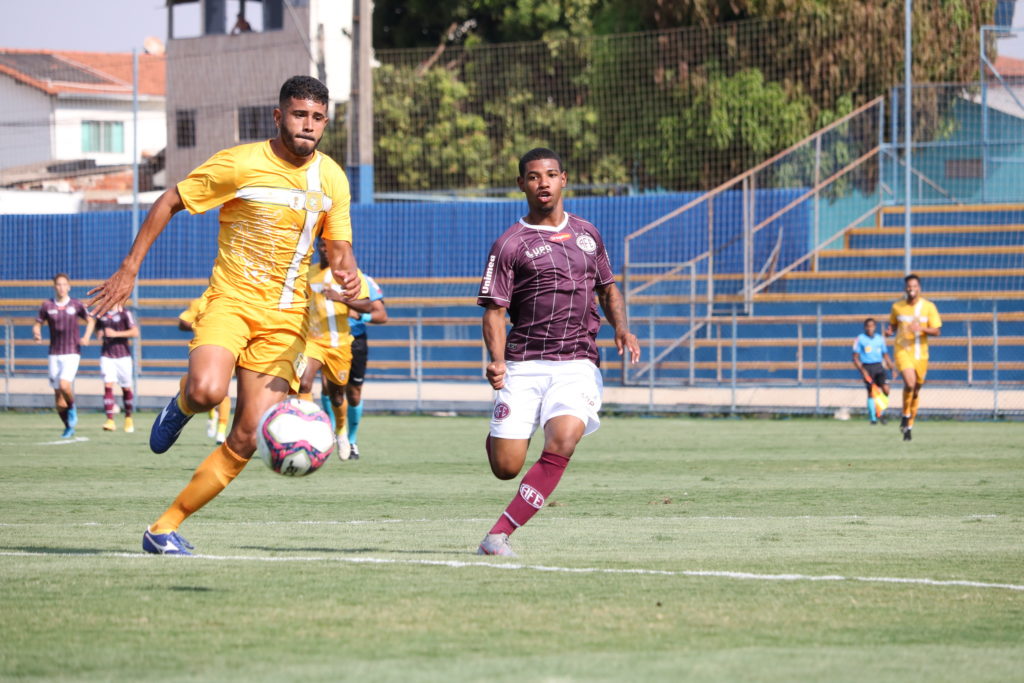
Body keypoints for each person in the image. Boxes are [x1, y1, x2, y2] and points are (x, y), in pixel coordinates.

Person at [88, 75, 360, 555]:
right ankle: (184, 403)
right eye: (300, 115)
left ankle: (163, 528)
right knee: (207, 389)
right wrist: (128, 271)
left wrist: (348, 274)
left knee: (248, 434)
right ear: (278, 117)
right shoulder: (239, 163)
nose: (309, 126)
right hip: (230, 301)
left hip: (286, 320)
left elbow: (338, 248)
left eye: (318, 118)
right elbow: (170, 200)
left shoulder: (332, 177)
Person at [474, 148, 640, 557]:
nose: (543, 183)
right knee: (506, 467)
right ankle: (501, 432)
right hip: (523, 364)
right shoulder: (508, 245)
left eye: (550, 175)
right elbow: (495, 311)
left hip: (577, 363)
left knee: (564, 439)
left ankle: (497, 536)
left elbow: (608, 287)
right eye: (533, 177)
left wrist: (621, 328)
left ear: (564, 179)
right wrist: (496, 359)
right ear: (522, 184)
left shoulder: (588, 234)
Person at [297, 239, 370, 461]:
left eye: (329, 247)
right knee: (304, 381)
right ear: (317, 249)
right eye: (321, 246)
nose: (325, 250)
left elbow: (367, 305)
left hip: (339, 344)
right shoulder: (306, 273)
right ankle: (308, 431)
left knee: (338, 394)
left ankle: (341, 432)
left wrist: (341, 298)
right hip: (313, 341)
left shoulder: (348, 274)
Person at [33, 273, 93, 438]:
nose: (61, 287)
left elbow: (91, 320)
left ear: (69, 287)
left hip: (72, 352)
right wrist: (37, 334)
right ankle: (68, 426)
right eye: (58, 284)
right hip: (54, 353)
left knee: (65, 384)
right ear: (54, 286)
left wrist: (87, 336)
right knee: (58, 398)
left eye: (64, 284)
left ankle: (72, 407)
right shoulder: (47, 306)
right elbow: (37, 325)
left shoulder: (76, 305)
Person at [885, 274, 942, 442]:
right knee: (909, 383)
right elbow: (894, 325)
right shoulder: (897, 306)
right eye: (909, 286)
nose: (911, 289)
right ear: (905, 288)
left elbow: (937, 331)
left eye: (914, 286)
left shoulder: (928, 307)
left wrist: (921, 329)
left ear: (919, 288)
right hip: (903, 351)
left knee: (916, 391)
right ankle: (904, 414)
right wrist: (890, 331)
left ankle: (909, 425)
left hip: (921, 354)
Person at [344, 271, 387, 460]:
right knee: (330, 390)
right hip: (323, 338)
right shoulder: (314, 276)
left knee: (353, 394)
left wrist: (360, 317)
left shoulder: (363, 280)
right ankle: (334, 436)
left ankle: (351, 441)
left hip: (355, 341)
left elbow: (381, 315)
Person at [178, 294, 231, 444]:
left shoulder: (238, 301)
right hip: (205, 347)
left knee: (223, 389)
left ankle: (221, 431)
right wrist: (202, 325)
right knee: (206, 388)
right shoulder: (200, 303)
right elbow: (182, 323)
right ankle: (211, 415)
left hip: (229, 348)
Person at [87, 304, 139, 433]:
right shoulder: (101, 313)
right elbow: (97, 327)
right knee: (108, 385)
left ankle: (128, 418)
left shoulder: (125, 313)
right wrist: (98, 332)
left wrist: (116, 333)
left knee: (126, 388)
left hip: (123, 356)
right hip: (107, 355)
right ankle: (110, 420)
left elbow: (135, 332)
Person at [851, 318, 894, 426]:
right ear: (865, 327)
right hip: (867, 367)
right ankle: (873, 418)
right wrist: (863, 371)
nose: (870, 328)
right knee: (871, 392)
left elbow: (885, 354)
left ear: (875, 327)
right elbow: (855, 357)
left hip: (879, 367)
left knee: (886, 389)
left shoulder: (879, 339)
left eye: (872, 326)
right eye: (868, 326)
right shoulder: (860, 339)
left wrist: (891, 367)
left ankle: (881, 413)